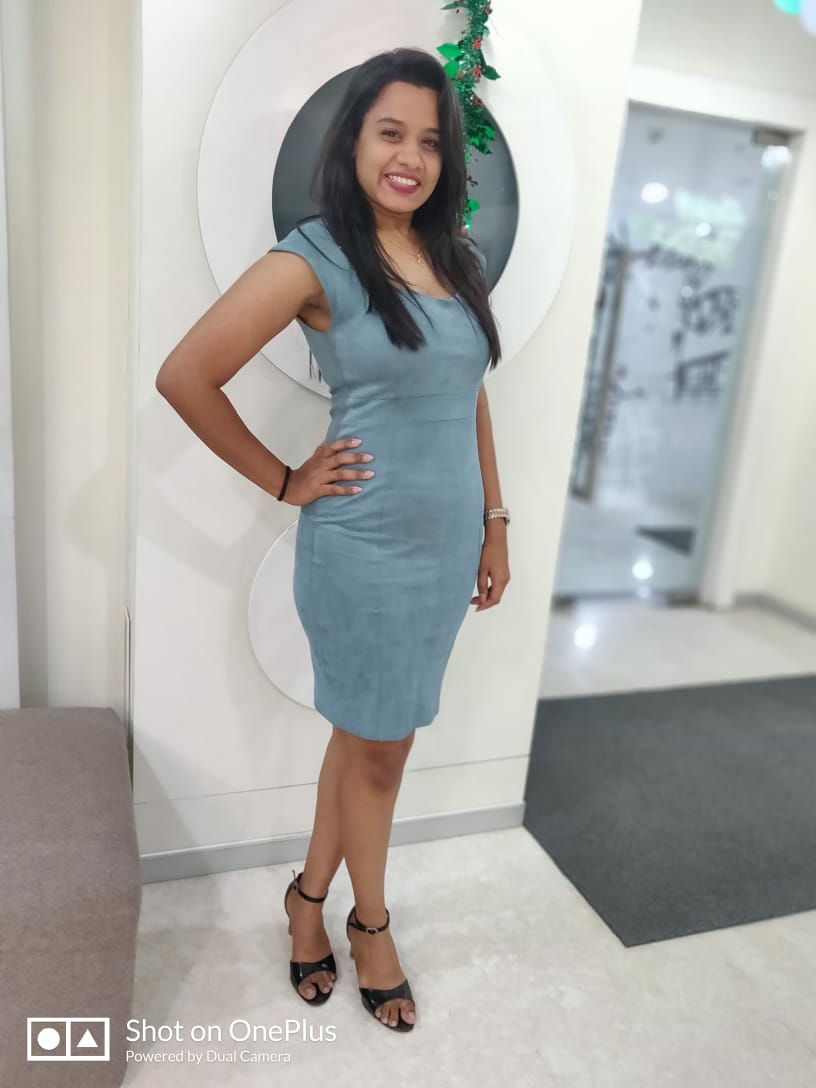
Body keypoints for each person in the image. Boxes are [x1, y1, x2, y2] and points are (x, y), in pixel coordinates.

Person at [155, 46, 510, 1034]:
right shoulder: (313, 258)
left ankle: (306, 898)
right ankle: (371, 923)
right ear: (353, 138)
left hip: (444, 550)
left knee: (365, 738)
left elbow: (470, 394)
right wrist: (284, 477)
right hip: (362, 551)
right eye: (390, 132)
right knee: (382, 753)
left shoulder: (456, 257)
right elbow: (185, 374)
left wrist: (495, 520)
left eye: (429, 141)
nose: (410, 158)